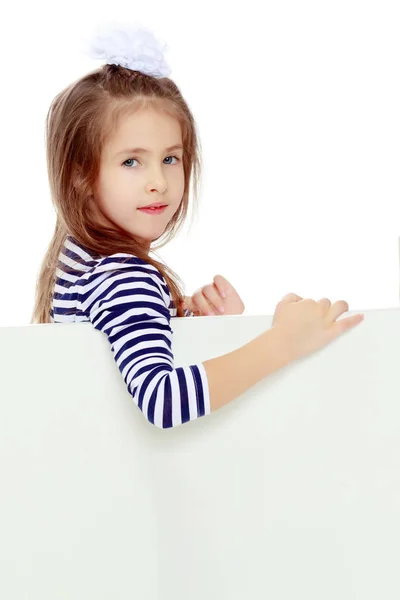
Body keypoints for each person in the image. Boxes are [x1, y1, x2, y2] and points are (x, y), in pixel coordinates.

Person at [31, 23, 364, 429]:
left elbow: (112, 371)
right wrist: (282, 343)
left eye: (170, 158)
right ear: (80, 175)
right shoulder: (125, 276)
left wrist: (201, 333)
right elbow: (162, 401)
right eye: (131, 161)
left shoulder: (76, 258)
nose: (159, 181)